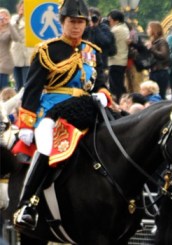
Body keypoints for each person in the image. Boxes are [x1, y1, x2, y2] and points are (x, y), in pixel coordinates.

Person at [12, 0, 111, 229]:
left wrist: (104, 94)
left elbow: (100, 82)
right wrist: (26, 124)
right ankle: (29, 204)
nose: (76, 27)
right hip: (52, 111)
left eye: (80, 22)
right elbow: (33, 88)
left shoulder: (91, 51)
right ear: (62, 22)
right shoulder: (48, 50)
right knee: (47, 147)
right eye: (72, 22)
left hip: (87, 107)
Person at [143, 21, 170, 95]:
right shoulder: (152, 41)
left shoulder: (162, 41)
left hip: (160, 72)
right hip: (153, 71)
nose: (147, 30)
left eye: (149, 28)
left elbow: (163, 55)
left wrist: (151, 48)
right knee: (152, 93)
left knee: (160, 93)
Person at [107, 10, 129, 98]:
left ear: (115, 20)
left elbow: (107, 41)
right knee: (119, 84)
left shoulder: (115, 30)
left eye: (110, 20)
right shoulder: (125, 28)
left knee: (114, 87)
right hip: (122, 60)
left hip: (115, 60)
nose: (109, 22)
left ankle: (117, 102)